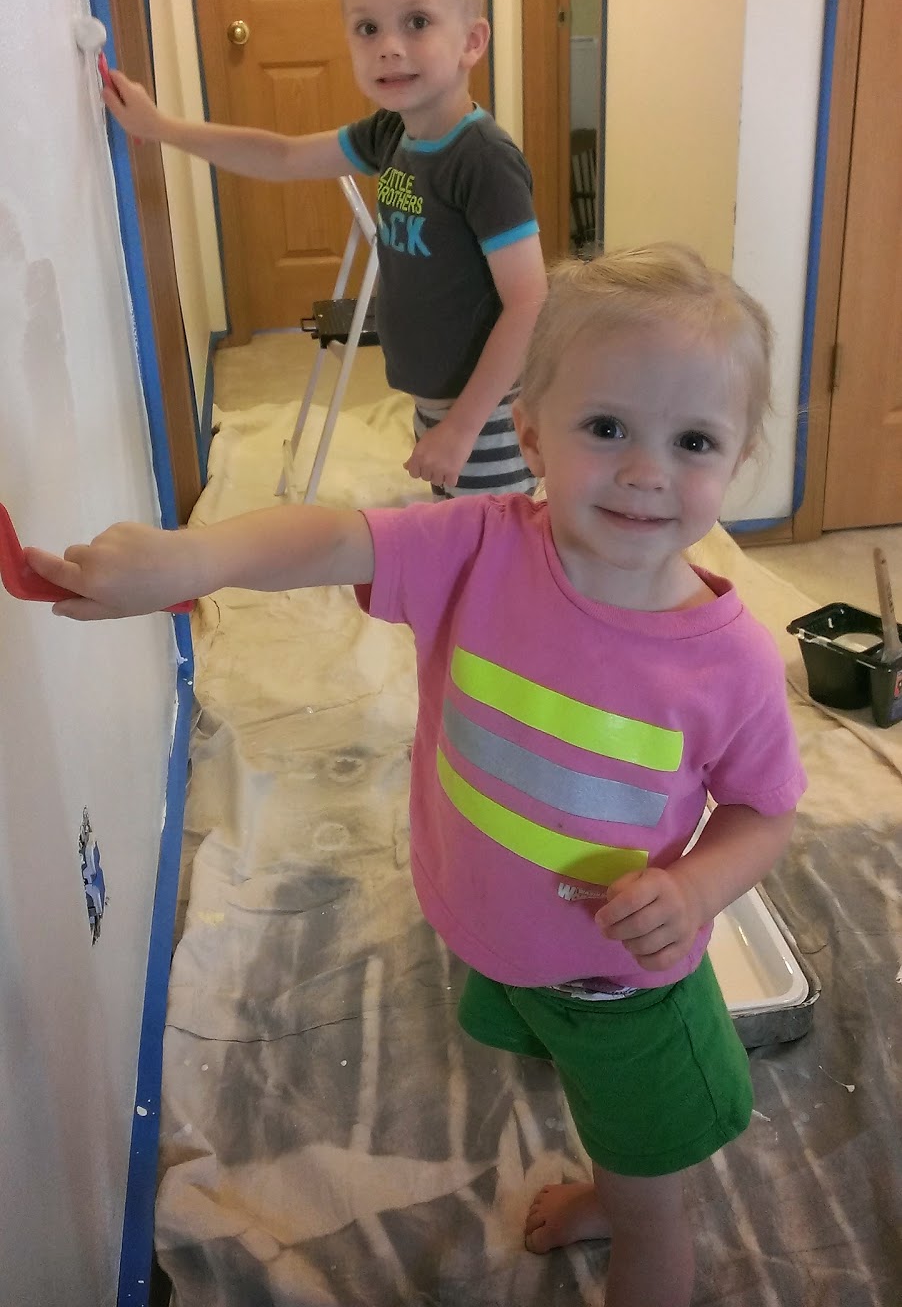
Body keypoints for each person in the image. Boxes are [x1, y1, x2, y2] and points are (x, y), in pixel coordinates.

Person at [29, 245, 806, 1307]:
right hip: (501, 942)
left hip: (624, 990)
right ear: (529, 431)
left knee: (651, 1207)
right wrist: (191, 558)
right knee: (586, 1108)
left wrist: (695, 888)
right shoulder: (477, 547)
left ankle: (624, 1211)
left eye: (693, 442)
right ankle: (608, 1183)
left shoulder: (732, 661)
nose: (646, 471)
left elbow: (764, 809)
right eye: (606, 427)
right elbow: (330, 538)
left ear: (738, 456)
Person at [102, 0, 547, 498]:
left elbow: (529, 301)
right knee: (458, 526)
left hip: (487, 415)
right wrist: (161, 127)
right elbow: (284, 156)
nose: (389, 47)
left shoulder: (482, 160)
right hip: (440, 403)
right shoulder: (391, 133)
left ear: (472, 41)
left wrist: (463, 427)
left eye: (417, 22)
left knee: (491, 538)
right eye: (367, 28)